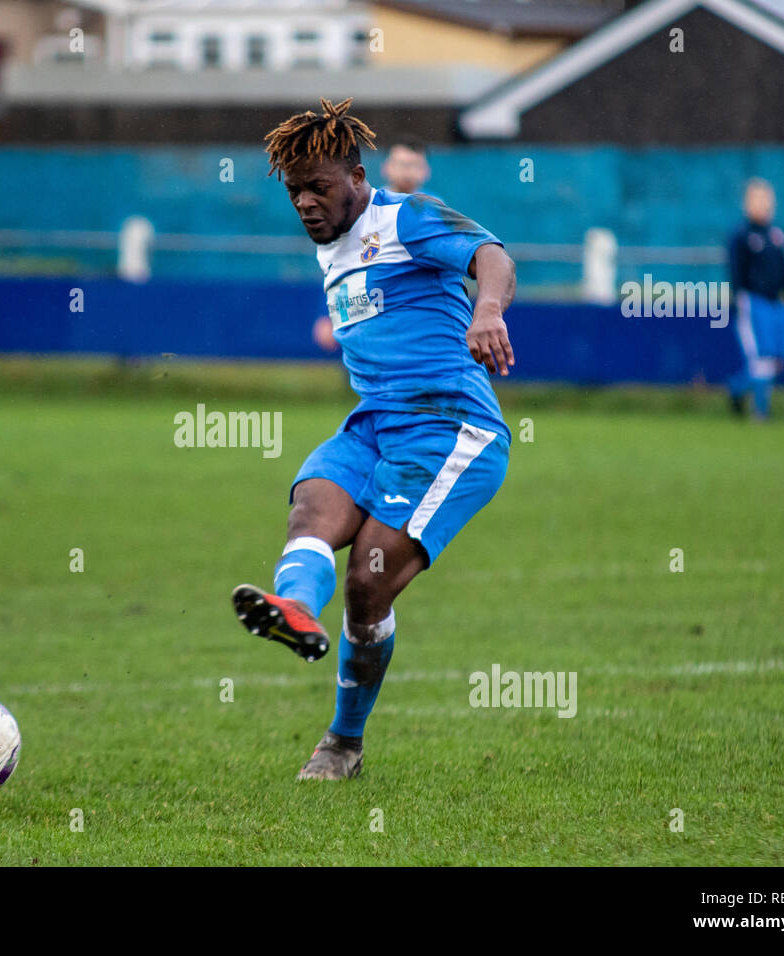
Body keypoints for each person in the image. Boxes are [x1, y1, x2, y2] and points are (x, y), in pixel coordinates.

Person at [232, 98, 516, 780]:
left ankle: (343, 744)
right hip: (375, 422)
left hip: (450, 428)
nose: (305, 202)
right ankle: (294, 609)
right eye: (295, 192)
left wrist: (487, 310)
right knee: (311, 508)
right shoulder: (332, 246)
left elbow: (491, 254)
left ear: (358, 177)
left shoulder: (404, 216)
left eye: (319, 187)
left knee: (368, 581)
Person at [313, 136, 436, 352]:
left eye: (413, 165)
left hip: (419, 319)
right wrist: (329, 316)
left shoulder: (436, 214)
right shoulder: (364, 210)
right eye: (401, 164)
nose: (407, 171)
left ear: (426, 171)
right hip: (372, 319)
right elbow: (343, 264)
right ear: (386, 168)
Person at [728, 178, 784, 419]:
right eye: (756, 200)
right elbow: (736, 270)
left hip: (777, 304)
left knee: (779, 359)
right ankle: (760, 412)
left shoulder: (776, 235)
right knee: (761, 359)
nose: (762, 205)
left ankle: (737, 388)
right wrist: (738, 297)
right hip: (754, 302)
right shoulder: (741, 235)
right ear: (747, 204)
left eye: (766, 199)